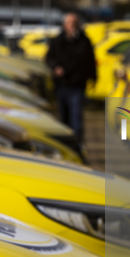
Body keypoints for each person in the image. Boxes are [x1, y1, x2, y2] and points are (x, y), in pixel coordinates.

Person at [45, 13, 96, 156]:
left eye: (75, 23)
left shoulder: (84, 42)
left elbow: (89, 61)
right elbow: (49, 58)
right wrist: (56, 68)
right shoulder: (58, 41)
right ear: (64, 24)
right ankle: (66, 146)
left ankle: (77, 147)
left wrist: (92, 78)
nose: (72, 26)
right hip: (62, 85)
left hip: (77, 85)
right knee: (64, 117)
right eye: (70, 23)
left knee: (76, 118)